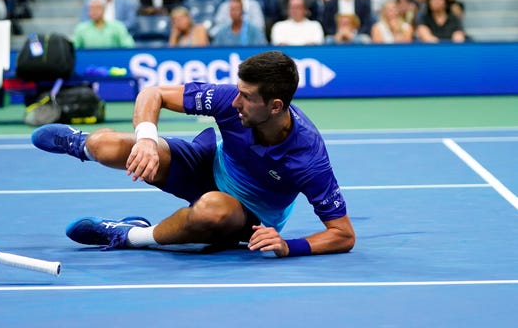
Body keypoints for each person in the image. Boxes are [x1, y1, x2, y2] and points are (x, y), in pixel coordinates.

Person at [31, 50, 355, 257]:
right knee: (113, 146)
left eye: (246, 97)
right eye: (238, 91)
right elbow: (153, 93)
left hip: (246, 216)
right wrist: (146, 139)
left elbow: (342, 234)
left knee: (212, 210)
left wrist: (290, 246)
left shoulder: (308, 157)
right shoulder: (231, 100)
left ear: (275, 106)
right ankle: (82, 144)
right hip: (209, 164)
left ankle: (129, 235)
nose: (236, 102)